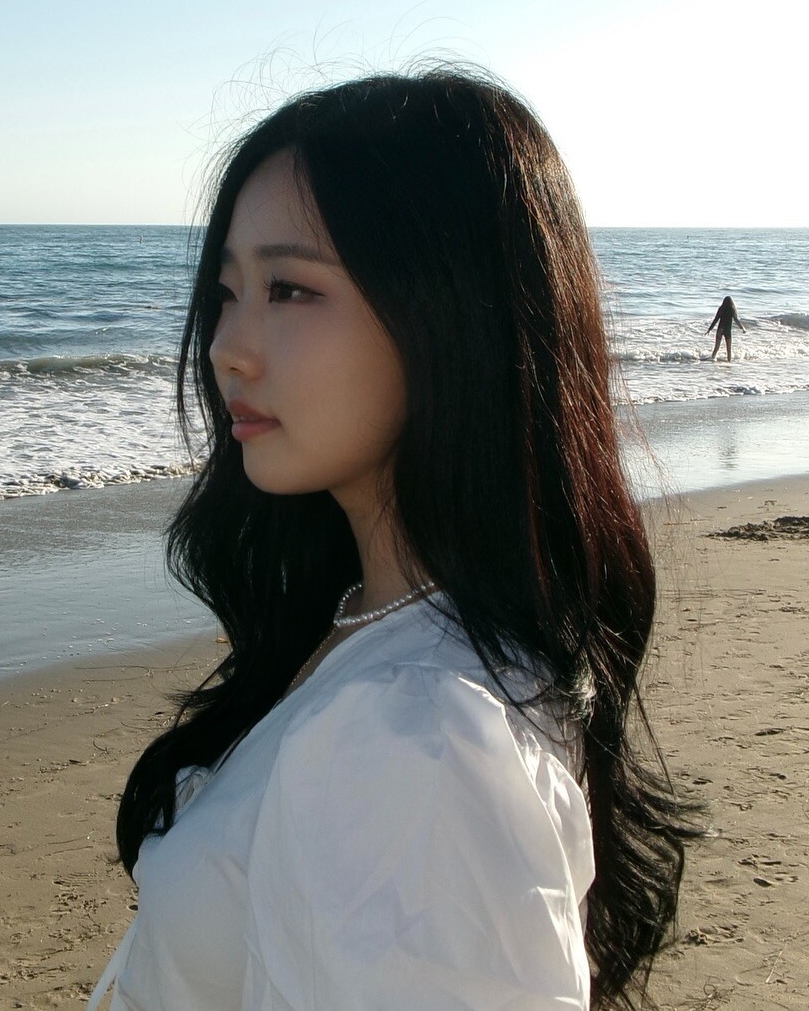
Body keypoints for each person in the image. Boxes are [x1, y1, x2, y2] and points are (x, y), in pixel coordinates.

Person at [92, 68, 695, 1011]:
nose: (225, 348)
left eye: (289, 289)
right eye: (227, 292)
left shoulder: (418, 739)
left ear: (453, 315)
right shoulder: (379, 634)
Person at [705, 295, 745, 362]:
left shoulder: (721, 309)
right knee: (729, 349)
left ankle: (712, 359)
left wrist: (710, 329)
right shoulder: (732, 310)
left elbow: (716, 319)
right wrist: (742, 328)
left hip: (720, 329)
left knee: (716, 348)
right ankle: (729, 362)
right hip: (727, 330)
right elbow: (736, 320)